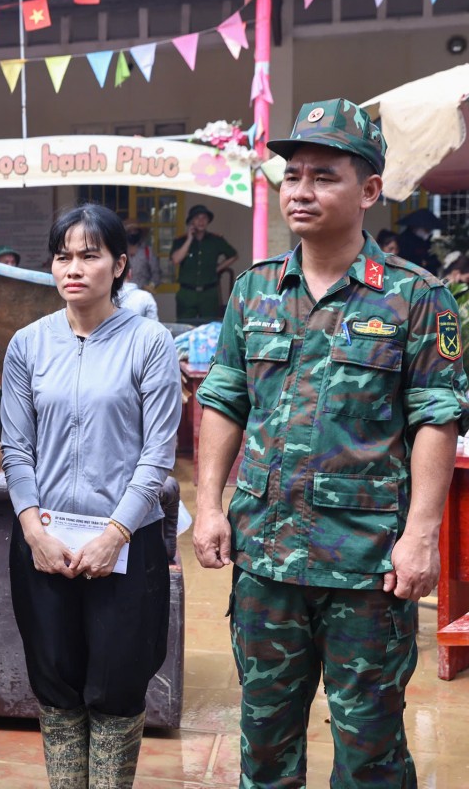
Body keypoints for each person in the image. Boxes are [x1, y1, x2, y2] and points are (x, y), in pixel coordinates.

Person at [193, 98, 469, 787]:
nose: (301, 190)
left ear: (369, 190)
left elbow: (437, 417)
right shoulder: (255, 292)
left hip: (367, 566)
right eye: (292, 175)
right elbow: (224, 400)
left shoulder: (415, 298)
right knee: (262, 745)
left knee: (370, 752)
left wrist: (420, 537)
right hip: (266, 558)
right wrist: (208, 505)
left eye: (324, 175)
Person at [1, 203, 180, 788]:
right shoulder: (29, 344)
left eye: (89, 255)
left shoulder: (149, 342)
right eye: (63, 256)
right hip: (44, 542)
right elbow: (15, 450)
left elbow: (157, 455)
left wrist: (116, 534)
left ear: (119, 264)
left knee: (117, 685)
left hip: (126, 545)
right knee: (55, 680)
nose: (73, 268)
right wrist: (32, 530)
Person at [171, 204, 237, 322]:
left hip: (209, 293)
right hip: (187, 293)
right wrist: (189, 239)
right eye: (197, 218)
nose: (201, 221)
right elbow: (176, 260)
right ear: (191, 221)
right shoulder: (180, 240)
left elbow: (233, 255)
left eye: (204, 218)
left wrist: (217, 268)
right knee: (185, 327)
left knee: (210, 326)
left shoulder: (215, 240)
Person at [395, 208, 443, 275]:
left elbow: (432, 260)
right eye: (426, 229)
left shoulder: (425, 241)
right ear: (415, 227)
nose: (428, 233)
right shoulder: (404, 241)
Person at [124, 218, 161, 290]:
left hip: (142, 293)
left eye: (135, 231)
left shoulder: (147, 251)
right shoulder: (119, 252)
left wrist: (151, 285)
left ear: (139, 233)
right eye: (130, 231)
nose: (133, 233)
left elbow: (156, 272)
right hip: (123, 295)